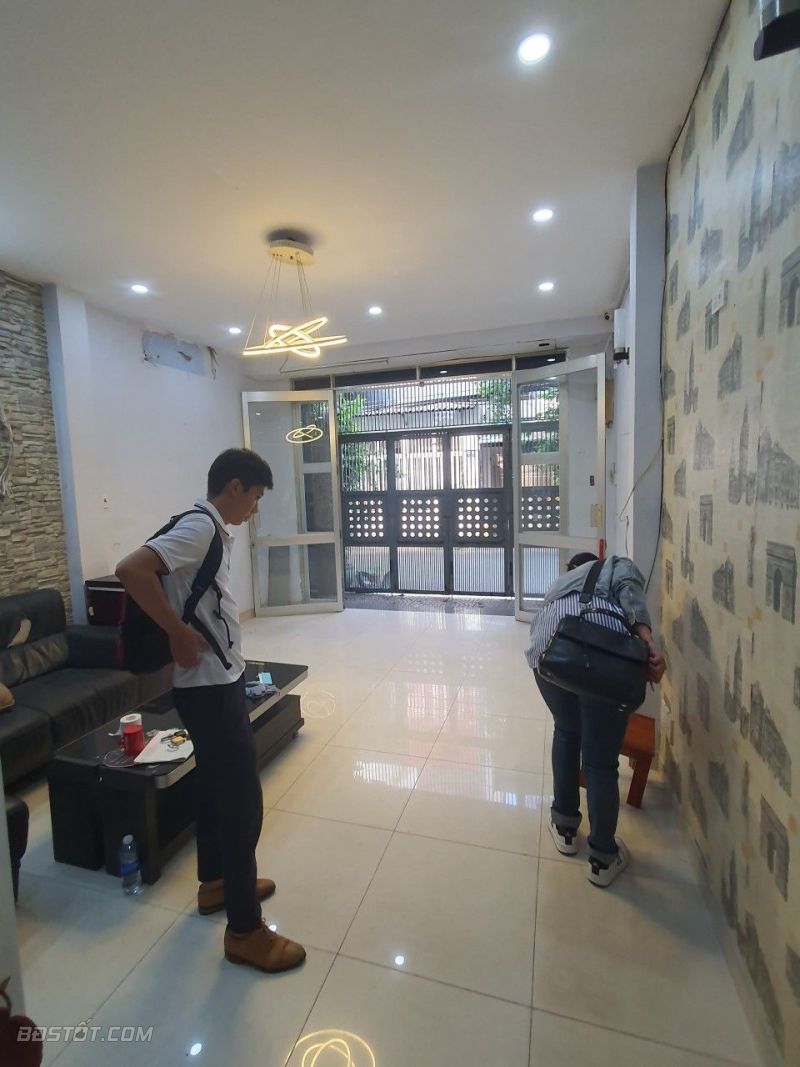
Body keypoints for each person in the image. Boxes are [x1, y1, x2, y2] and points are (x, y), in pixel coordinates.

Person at [115, 448, 306, 973]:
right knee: (242, 804)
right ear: (235, 486)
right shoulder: (200, 526)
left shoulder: (208, 527)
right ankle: (245, 931)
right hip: (207, 687)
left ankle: (216, 882)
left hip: (216, 679)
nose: (255, 509)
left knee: (213, 788)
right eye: (256, 497)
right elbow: (131, 569)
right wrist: (177, 632)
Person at [526, 552, 665, 887]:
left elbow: (538, 623)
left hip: (552, 655)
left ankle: (564, 826)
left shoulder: (560, 584)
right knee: (600, 761)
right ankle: (602, 858)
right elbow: (630, 592)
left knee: (567, 731)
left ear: (572, 568)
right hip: (606, 667)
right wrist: (648, 643)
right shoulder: (617, 565)